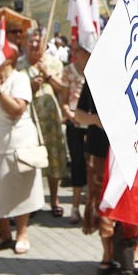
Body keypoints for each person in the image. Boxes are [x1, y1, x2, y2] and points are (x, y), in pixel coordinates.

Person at [0, 38, 43, 255]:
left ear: (8, 59)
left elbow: (16, 110)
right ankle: (3, 233)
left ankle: (21, 232)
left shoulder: (20, 79)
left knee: (19, 189)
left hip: (17, 144)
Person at [75, 80, 138, 275]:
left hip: (130, 149)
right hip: (99, 150)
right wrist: (96, 120)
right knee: (103, 204)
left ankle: (135, 250)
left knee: (132, 203)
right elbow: (79, 114)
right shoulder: (94, 75)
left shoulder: (133, 70)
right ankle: (107, 253)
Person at [17, 28, 68, 217]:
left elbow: (62, 89)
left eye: (38, 41)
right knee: (31, 160)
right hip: (29, 118)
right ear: (26, 42)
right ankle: (31, 203)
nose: (35, 45)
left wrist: (47, 75)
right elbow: (13, 90)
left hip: (50, 119)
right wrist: (29, 86)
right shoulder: (19, 65)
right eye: (31, 41)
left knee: (53, 158)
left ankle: (54, 199)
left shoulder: (53, 63)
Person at [60, 42, 90, 224]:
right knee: (77, 164)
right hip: (75, 123)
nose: (81, 53)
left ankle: (92, 207)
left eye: (85, 49)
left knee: (93, 165)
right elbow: (63, 101)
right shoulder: (68, 71)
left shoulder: (98, 70)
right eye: (78, 50)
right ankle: (75, 207)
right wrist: (71, 116)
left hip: (93, 123)